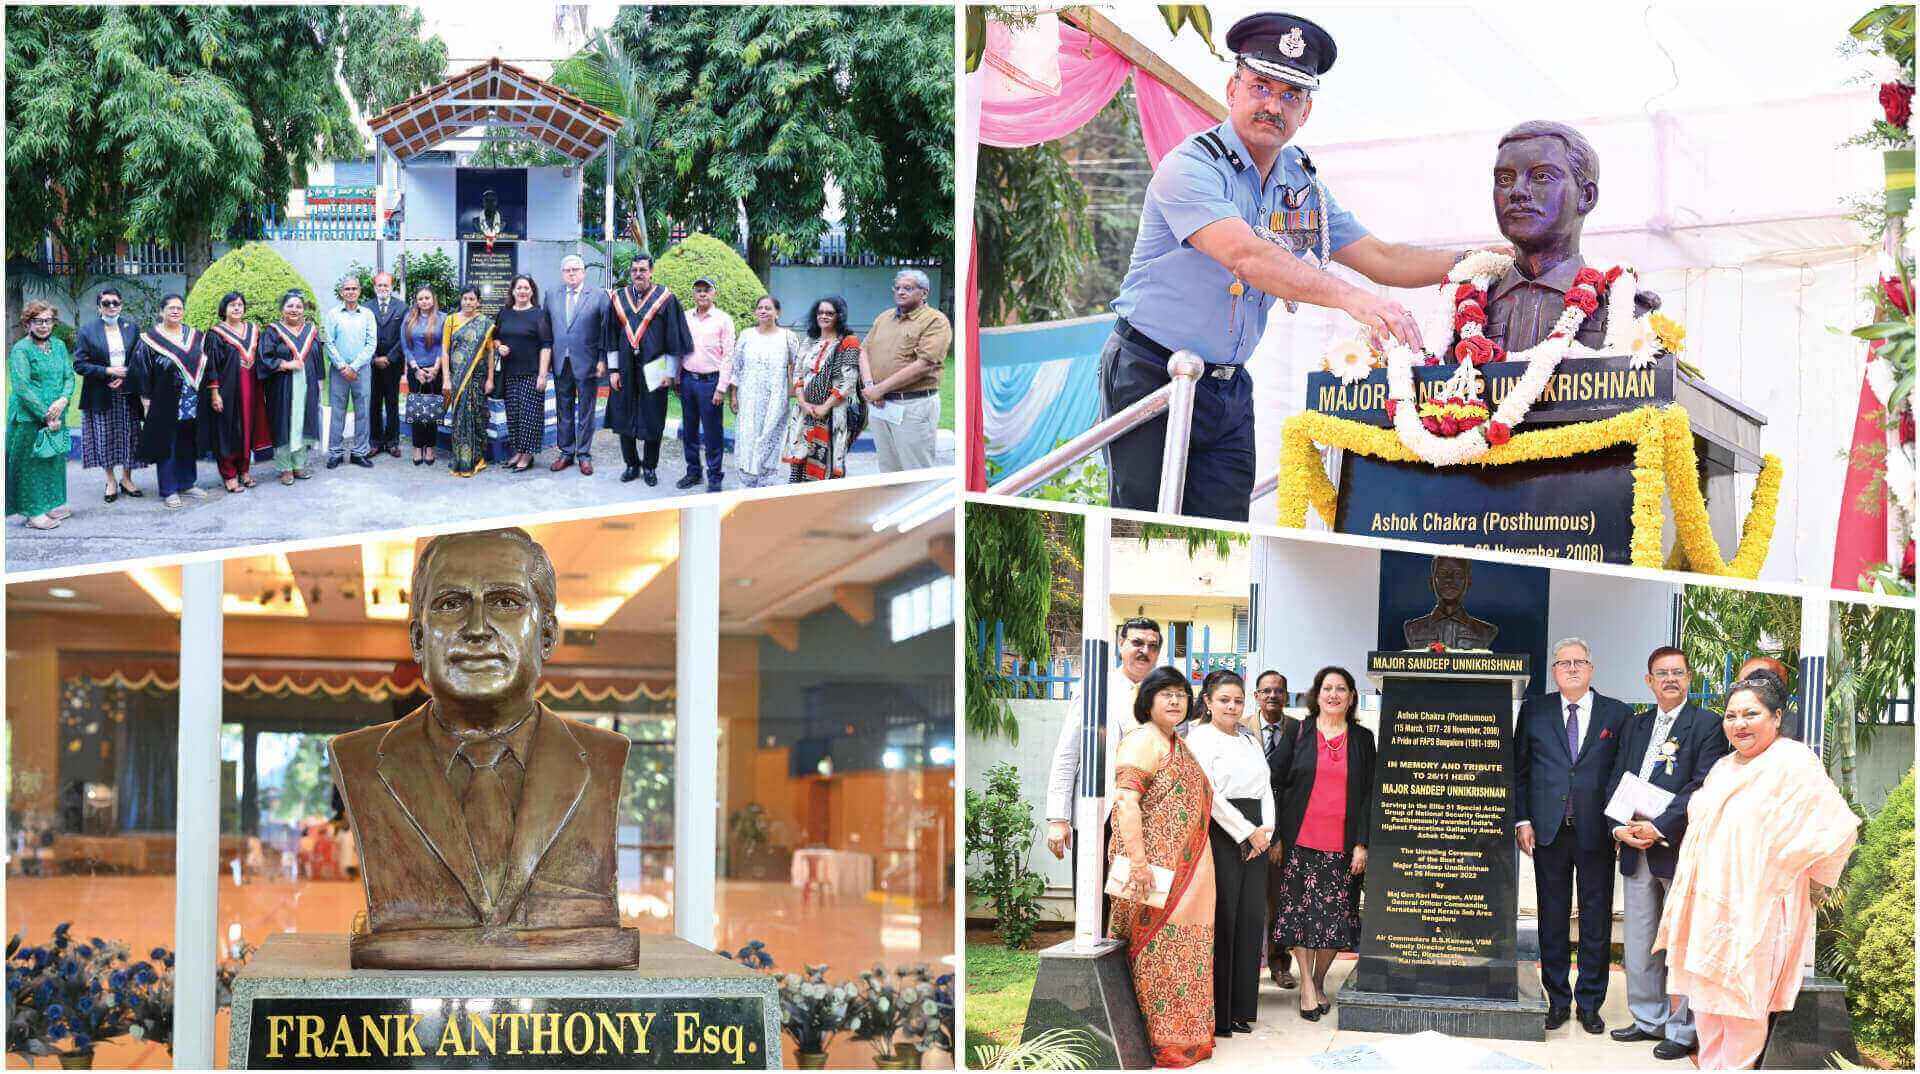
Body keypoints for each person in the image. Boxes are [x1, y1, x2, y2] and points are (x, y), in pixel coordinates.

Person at [1103, 13, 1475, 520]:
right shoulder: (1191, 166)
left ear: (1306, 111)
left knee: (1225, 537)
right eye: (1261, 87)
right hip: (1153, 370)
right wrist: (1353, 300)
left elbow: (1381, 257)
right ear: (1233, 88)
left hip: (1229, 385)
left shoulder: (1300, 183)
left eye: (1290, 96)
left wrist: (1476, 262)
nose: (1273, 106)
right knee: (1143, 529)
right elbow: (1247, 256)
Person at [328, 528, 637, 970]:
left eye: (506, 602)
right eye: (451, 604)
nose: (476, 629)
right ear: (418, 639)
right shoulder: (359, 760)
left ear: (547, 635)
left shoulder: (603, 759)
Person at [1653, 677, 1858, 1070]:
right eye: (1731, 716)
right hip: (1708, 908)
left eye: (1751, 714)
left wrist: (1803, 877)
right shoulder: (1722, 768)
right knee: (1709, 1006)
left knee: (1744, 1007)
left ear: (1777, 717)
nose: (1739, 724)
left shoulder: (1794, 763)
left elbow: (1838, 827)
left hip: (1758, 910)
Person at [1605, 646, 1728, 1061]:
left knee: (1682, 943)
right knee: (1639, 940)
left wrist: (1658, 826)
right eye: (1662, 673)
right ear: (1649, 681)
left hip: (1676, 848)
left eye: (1678, 672)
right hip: (1633, 847)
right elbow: (1617, 779)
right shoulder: (1635, 725)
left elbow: (1702, 784)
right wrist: (1619, 828)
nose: (1670, 679)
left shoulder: (1708, 725)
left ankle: (1682, 1027)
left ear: (1690, 679)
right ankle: (1647, 1018)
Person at [1514, 637, 1632, 1034]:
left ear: (1592, 668)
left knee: (1596, 918)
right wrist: (1522, 820)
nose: (1572, 669)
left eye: (1579, 662)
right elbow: (1520, 770)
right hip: (1547, 830)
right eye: (1563, 663)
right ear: (1554, 671)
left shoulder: (1617, 714)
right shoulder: (1535, 711)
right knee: (1552, 917)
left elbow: (1623, 774)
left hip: (1597, 831)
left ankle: (1590, 1002)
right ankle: (1558, 1000)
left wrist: (1619, 822)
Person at [1110, 665, 1215, 1067]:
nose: (1175, 700)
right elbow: (1126, 804)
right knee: (1153, 954)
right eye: (1165, 693)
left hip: (1186, 876)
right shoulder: (1143, 741)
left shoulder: (1178, 744)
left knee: (1185, 952)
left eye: (1181, 694)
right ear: (1147, 700)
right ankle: (1156, 1042)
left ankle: (1186, 1038)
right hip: (1150, 875)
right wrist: (1138, 864)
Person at [1269, 666, 1374, 1021]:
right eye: (1327, 688)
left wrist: (1362, 843)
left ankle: (1317, 979)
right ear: (1316, 694)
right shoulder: (1299, 733)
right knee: (1301, 916)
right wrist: (1278, 835)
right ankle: (1307, 990)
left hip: (1343, 846)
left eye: (1340, 689)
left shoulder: (1362, 739)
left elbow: (1367, 797)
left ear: (1351, 696)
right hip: (1301, 841)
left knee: (1335, 918)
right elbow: (1278, 783)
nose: (1333, 694)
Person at [1186, 670, 1273, 1038]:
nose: (1232, 707)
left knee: (1252, 920)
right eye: (1224, 700)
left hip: (1259, 834)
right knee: (1224, 919)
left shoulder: (1250, 739)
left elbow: (1267, 786)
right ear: (1207, 701)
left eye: (1238, 700)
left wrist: (1266, 831)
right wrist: (1246, 832)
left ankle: (1241, 1009)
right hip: (1223, 834)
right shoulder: (1198, 739)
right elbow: (1211, 796)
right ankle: (1219, 1014)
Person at [1044, 617, 1165, 858]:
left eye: (1152, 646)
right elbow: (1068, 754)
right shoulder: (1094, 687)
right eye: (1137, 643)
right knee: (1093, 894)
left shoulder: (1167, 695)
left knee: (1141, 893)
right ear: (1121, 644)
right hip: (1099, 814)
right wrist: (1058, 817)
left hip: (1149, 818)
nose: (1145, 651)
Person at [602, 253, 693, 486]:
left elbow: (674, 335)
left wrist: (670, 372)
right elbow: (611, 335)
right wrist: (613, 370)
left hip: (655, 366)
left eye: (643, 270)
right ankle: (631, 464)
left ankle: (650, 467)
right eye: (634, 270)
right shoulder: (619, 298)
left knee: (653, 417)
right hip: (624, 366)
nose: (638, 274)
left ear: (651, 272)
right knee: (624, 415)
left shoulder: (665, 298)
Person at [131, 293, 220, 509]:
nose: (175, 311)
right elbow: (141, 371)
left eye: (179, 307)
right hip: (164, 399)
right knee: (167, 443)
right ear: (161, 312)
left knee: (187, 441)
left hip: (191, 398)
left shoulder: (195, 336)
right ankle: (169, 489)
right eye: (170, 307)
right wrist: (145, 400)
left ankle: (187, 482)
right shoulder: (149, 339)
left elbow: (207, 366)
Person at [859, 269, 951, 473]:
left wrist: (880, 389)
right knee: (888, 469)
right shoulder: (884, 318)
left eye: (907, 288)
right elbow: (863, 350)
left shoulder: (935, 321)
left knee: (916, 470)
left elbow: (925, 364)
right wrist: (870, 386)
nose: (900, 292)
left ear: (924, 293)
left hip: (913, 406)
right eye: (897, 288)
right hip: (881, 405)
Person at [72, 289, 146, 503]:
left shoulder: (132, 328)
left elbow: (138, 358)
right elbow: (79, 364)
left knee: (129, 436)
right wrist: (108, 372)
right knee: (106, 438)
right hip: (100, 392)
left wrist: (125, 377)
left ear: (121, 305)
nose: (111, 306)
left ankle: (127, 479)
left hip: (126, 391)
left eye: (115, 302)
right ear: (99, 307)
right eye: (106, 303)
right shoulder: (87, 331)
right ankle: (111, 480)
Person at [785, 295, 865, 483]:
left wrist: (825, 407)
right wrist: (803, 402)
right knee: (799, 461)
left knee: (827, 467)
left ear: (839, 316)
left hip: (832, 413)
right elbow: (798, 373)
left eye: (830, 313)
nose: (824, 316)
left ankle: (826, 506)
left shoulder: (848, 342)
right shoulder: (809, 341)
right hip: (804, 412)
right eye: (820, 312)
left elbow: (848, 381)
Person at [8, 302, 74, 529]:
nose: (44, 326)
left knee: (52, 460)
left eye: (48, 321)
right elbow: (22, 387)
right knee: (31, 464)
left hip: (57, 412)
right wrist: (46, 414)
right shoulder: (21, 349)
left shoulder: (58, 345)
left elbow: (69, 376)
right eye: (38, 321)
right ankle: (33, 512)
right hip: (30, 417)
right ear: (28, 324)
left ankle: (49, 504)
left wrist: (63, 400)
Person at [1251, 669, 1298, 989]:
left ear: (1286, 695)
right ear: (1256, 696)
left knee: (1280, 899)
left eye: (1278, 691)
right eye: (1266, 691)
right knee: (1248, 902)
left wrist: (1279, 836)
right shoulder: (1239, 726)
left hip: (1287, 825)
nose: (1272, 696)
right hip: (1245, 826)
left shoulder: (1299, 729)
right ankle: (1246, 967)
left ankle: (1281, 965)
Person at [544, 254, 611, 475]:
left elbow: (606, 331)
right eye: (567, 270)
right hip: (561, 361)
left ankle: (584, 454)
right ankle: (566, 452)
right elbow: (546, 330)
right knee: (563, 409)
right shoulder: (551, 294)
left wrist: (603, 359)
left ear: (583, 272)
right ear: (562, 273)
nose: (571, 273)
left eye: (575, 269)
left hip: (588, 362)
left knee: (586, 410)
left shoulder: (599, 296)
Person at [728, 295, 801, 488]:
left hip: (776, 398)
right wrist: (733, 394)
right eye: (760, 308)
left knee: (771, 435)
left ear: (778, 313)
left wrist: (795, 390)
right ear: (755, 312)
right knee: (747, 435)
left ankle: (767, 482)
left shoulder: (788, 337)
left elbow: (799, 365)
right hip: (749, 396)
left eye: (768, 308)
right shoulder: (746, 335)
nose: (763, 311)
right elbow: (737, 366)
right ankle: (747, 480)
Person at [203, 292, 273, 494]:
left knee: (249, 428)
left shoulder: (253, 330)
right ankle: (229, 474)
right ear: (224, 309)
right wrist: (214, 393)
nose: (236, 308)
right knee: (228, 430)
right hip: (228, 390)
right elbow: (212, 366)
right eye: (232, 305)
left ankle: (244, 470)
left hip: (252, 388)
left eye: (240, 305)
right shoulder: (216, 334)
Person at [259, 290, 324, 485]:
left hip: (307, 384)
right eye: (290, 306)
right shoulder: (272, 331)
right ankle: (284, 467)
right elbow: (264, 358)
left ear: (303, 310)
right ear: (282, 310)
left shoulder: (311, 331)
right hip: (282, 386)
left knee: (303, 421)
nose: (294, 310)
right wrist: (286, 364)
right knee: (284, 423)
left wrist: (320, 382)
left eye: (298, 306)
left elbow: (318, 358)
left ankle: (299, 464)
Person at [680, 277, 735, 492]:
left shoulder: (723, 320)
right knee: (689, 430)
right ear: (693, 294)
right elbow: (680, 348)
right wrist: (677, 378)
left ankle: (714, 476)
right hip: (687, 380)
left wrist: (722, 388)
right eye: (698, 290)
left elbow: (729, 355)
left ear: (714, 294)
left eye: (706, 290)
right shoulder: (685, 317)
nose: (702, 294)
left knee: (713, 433)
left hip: (711, 383)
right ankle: (693, 472)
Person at [493, 275, 552, 473]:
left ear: (532, 291)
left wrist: (542, 375)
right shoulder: (504, 313)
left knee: (530, 416)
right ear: (513, 291)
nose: (522, 291)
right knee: (514, 416)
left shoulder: (538, 314)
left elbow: (546, 345)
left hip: (532, 373)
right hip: (510, 373)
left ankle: (527, 456)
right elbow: (495, 338)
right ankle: (518, 451)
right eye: (519, 288)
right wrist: (499, 346)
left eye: (526, 288)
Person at [438, 286, 497, 478]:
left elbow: (490, 354)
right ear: (461, 300)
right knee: (460, 418)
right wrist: (446, 378)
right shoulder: (451, 320)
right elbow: (445, 351)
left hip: (478, 378)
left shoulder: (485, 323)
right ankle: (461, 461)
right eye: (465, 298)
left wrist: (490, 379)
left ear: (478, 302)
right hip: (457, 378)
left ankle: (477, 459)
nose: (468, 302)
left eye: (472, 299)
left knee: (477, 417)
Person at [323, 275, 378, 469]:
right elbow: (328, 342)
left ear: (360, 291)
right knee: (337, 411)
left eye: (354, 289)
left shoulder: (368, 314)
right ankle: (335, 453)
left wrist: (354, 366)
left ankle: (360, 452)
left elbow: (372, 343)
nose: (351, 292)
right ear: (341, 292)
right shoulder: (333, 314)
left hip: (361, 371)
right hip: (339, 371)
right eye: (347, 289)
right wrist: (342, 366)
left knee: (363, 411)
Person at [400, 286, 447, 467]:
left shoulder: (442, 319)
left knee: (433, 409)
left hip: (436, 370)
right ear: (417, 301)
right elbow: (405, 346)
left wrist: (435, 368)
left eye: (427, 298)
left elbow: (443, 345)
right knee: (418, 410)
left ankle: (430, 447)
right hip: (416, 371)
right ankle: (417, 446)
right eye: (421, 298)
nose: (424, 301)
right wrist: (416, 369)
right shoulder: (409, 318)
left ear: (433, 299)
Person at [366, 271, 408, 460]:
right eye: (379, 285)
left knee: (392, 403)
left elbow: (404, 337)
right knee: (374, 403)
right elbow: (363, 336)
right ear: (375, 287)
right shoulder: (366, 307)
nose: (383, 288)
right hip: (372, 364)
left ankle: (392, 442)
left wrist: (389, 358)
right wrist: (375, 357)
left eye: (386, 285)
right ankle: (375, 442)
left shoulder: (402, 307)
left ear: (392, 287)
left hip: (393, 364)